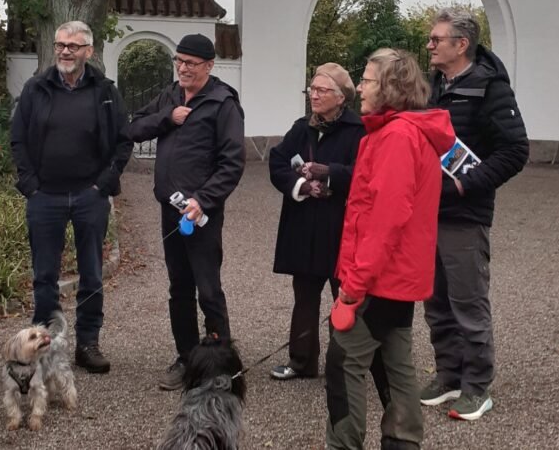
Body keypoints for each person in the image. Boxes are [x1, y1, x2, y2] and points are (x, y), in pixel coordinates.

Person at [325, 48, 455, 450]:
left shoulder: (397, 136)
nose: (359, 87)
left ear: (391, 87)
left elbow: (385, 220)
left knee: (344, 364)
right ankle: (403, 440)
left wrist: (352, 287)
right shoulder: (397, 132)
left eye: (366, 79)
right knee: (397, 366)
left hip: (379, 279)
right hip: (397, 278)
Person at [419, 9, 529, 421]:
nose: (430, 44)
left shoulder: (490, 88)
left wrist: (467, 184)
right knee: (435, 302)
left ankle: (477, 387)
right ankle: (448, 375)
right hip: (430, 210)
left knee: (468, 302)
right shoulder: (433, 86)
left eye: (437, 39)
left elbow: (516, 152)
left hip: (465, 214)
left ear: (461, 44)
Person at [10, 20, 132, 374]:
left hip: (88, 197)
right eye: (60, 45)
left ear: (88, 52)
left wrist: (104, 185)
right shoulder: (36, 88)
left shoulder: (105, 91)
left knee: (92, 274)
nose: (65, 51)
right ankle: (43, 344)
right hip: (44, 196)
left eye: (73, 46)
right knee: (44, 276)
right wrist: (30, 185)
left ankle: (88, 343)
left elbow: (123, 140)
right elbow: (17, 138)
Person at [125, 33, 245, 391]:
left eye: (191, 63)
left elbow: (232, 163)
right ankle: (187, 357)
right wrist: (168, 117)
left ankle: (222, 364)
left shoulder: (223, 103)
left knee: (208, 289)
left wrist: (203, 200)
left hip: (200, 214)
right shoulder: (171, 96)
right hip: (170, 208)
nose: (183, 69)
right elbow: (132, 128)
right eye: (179, 61)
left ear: (209, 66)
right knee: (179, 287)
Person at [268, 63, 364, 380]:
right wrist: (301, 186)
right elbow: (279, 161)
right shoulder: (302, 127)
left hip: (341, 227)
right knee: (304, 297)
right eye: (312, 89)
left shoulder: (358, 130)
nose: (314, 95)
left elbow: (364, 173)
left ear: (340, 97)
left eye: (322, 90)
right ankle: (301, 361)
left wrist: (330, 173)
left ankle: (345, 365)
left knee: (344, 298)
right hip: (304, 224)